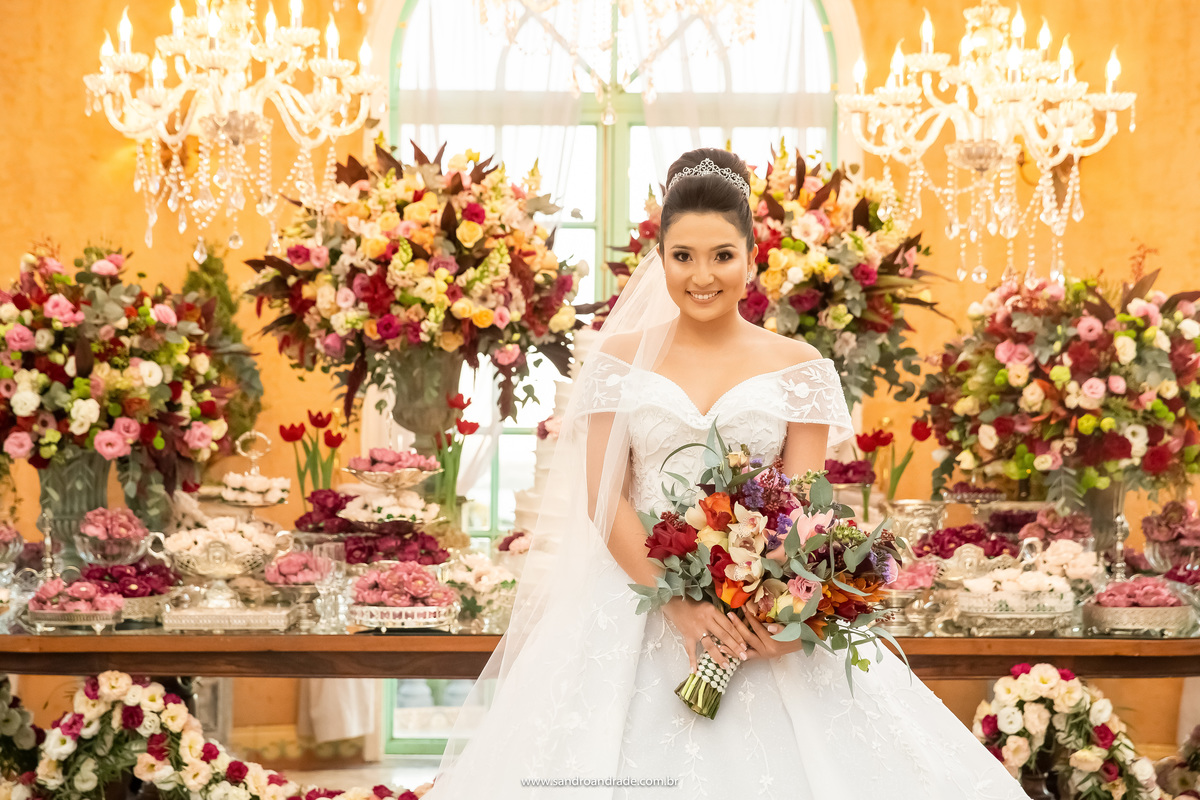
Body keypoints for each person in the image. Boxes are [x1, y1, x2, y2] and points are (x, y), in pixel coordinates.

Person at [420, 148, 1030, 798]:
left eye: (721, 255)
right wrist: (677, 602)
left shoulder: (799, 367)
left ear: (751, 257)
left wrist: (791, 623)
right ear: (660, 258)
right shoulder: (615, 360)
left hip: (758, 613)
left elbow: (802, 509)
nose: (702, 275)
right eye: (683, 256)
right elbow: (603, 498)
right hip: (635, 599)